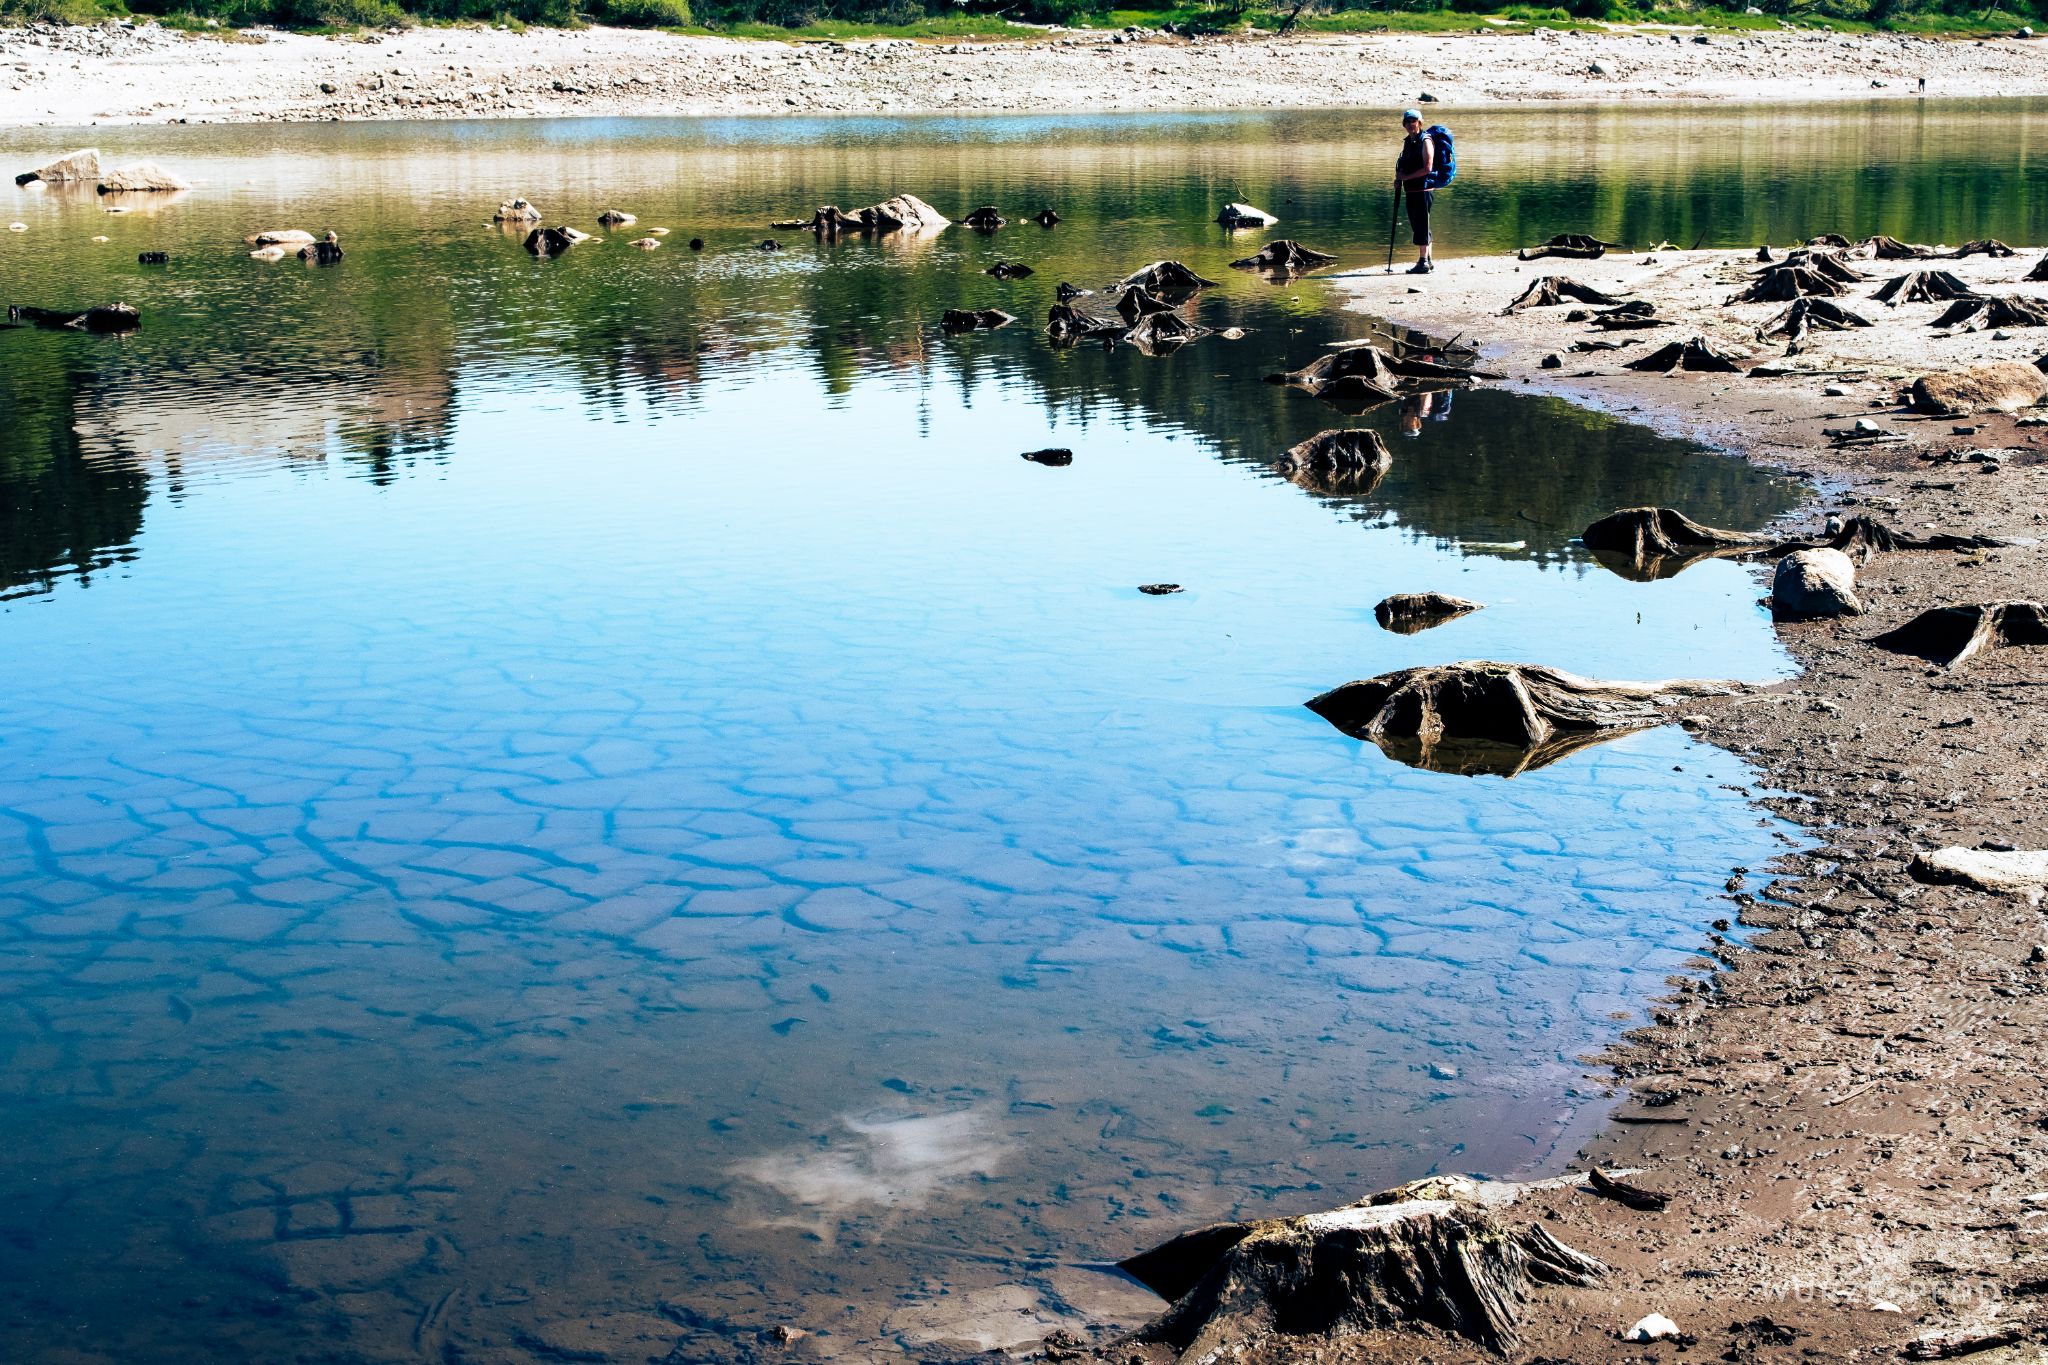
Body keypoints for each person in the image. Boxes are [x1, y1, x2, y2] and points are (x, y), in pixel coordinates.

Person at [1395, 109, 1435, 275]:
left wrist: (1406, 177)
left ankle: (1423, 262)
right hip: (1411, 190)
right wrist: (1400, 179)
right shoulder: (1408, 141)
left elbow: (1428, 168)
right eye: (1408, 122)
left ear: (1420, 122)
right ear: (1404, 124)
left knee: (1421, 225)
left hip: (1423, 189)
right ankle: (1428, 260)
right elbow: (1404, 165)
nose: (1411, 124)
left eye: (1414, 121)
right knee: (1419, 224)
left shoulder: (1425, 140)